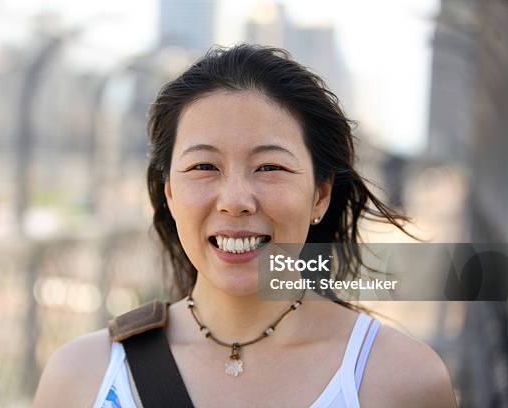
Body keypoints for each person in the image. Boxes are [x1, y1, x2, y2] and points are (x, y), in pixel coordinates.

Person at [34, 44, 457, 408]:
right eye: (203, 166)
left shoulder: (400, 380)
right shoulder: (81, 376)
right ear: (169, 195)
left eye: (269, 166)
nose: (235, 200)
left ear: (321, 195)